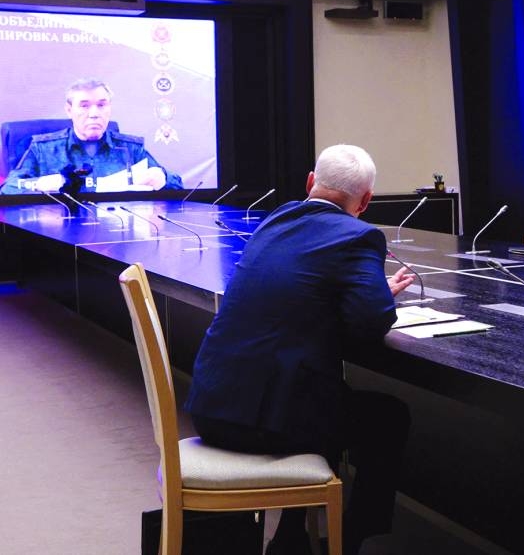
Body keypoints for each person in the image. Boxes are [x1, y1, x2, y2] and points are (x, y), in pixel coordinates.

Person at [184, 144, 415, 555]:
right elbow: (370, 322)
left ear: (311, 183)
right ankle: (352, 538)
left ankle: (292, 537)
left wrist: (364, 294)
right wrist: (378, 295)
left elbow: (303, 296)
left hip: (210, 407)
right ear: (365, 202)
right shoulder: (359, 235)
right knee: (385, 416)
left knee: (319, 393)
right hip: (265, 422)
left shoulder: (276, 220)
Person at [0, 78, 182, 194]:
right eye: (85, 106)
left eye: (101, 105)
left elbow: (178, 186)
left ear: (109, 109)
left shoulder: (130, 149)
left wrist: (163, 178)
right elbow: (8, 188)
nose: (94, 113)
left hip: (119, 233)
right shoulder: (44, 149)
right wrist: (38, 184)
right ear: (69, 110)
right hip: (60, 236)